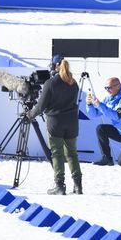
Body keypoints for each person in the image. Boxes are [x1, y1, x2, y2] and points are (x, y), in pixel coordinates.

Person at [26, 58, 82, 195]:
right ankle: (78, 186)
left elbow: (40, 107)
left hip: (56, 123)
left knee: (57, 153)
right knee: (72, 154)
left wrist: (29, 115)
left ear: (55, 67)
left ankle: (60, 185)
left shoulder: (50, 83)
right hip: (72, 122)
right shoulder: (73, 83)